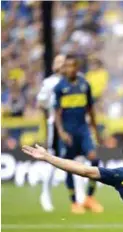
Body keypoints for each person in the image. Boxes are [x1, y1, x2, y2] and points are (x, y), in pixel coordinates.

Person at [54, 54, 103, 214]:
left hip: (83, 131)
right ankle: (74, 202)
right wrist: (61, 132)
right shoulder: (60, 87)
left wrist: (95, 131)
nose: (70, 69)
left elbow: (91, 110)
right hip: (68, 132)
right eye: (67, 66)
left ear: (77, 67)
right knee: (68, 166)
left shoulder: (84, 85)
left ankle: (89, 197)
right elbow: (57, 113)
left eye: (72, 66)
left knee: (94, 160)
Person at [36, 54, 66, 212]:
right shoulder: (49, 83)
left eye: (64, 61)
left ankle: (81, 199)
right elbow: (41, 103)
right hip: (55, 125)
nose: (62, 64)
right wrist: (49, 119)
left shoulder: (76, 79)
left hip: (74, 125)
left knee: (80, 159)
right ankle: (45, 194)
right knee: (53, 158)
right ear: (54, 65)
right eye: (59, 61)